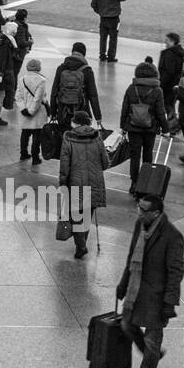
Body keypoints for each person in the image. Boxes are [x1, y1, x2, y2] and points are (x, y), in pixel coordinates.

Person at [116, 194, 184, 368]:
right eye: (138, 208)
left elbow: (176, 272)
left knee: (153, 339)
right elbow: (132, 256)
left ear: (156, 213)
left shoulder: (172, 236)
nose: (139, 213)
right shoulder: (140, 225)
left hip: (157, 295)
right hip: (135, 289)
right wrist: (123, 284)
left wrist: (169, 302)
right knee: (127, 324)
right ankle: (151, 355)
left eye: (143, 210)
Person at [60, 110, 110, 259]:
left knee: (76, 215)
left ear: (75, 122)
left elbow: (64, 163)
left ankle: (80, 245)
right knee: (87, 214)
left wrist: (63, 182)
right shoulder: (97, 137)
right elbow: (105, 163)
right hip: (95, 181)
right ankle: (82, 242)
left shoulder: (68, 137)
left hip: (76, 182)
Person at [119, 59, 170, 195]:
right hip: (150, 128)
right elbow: (160, 111)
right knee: (148, 154)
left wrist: (123, 126)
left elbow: (125, 108)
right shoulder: (157, 90)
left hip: (133, 127)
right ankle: (145, 182)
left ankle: (134, 183)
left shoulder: (132, 88)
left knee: (134, 155)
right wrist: (166, 129)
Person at [50, 42, 102, 124]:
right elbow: (93, 95)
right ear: (84, 54)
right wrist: (98, 116)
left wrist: (52, 112)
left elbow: (54, 92)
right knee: (82, 135)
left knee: (64, 135)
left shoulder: (61, 68)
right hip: (82, 113)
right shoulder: (87, 70)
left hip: (63, 111)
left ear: (72, 52)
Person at [15, 57, 49, 164]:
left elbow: (17, 96)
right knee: (37, 135)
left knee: (25, 133)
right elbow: (38, 98)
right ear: (39, 68)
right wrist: (32, 111)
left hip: (24, 111)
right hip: (37, 112)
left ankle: (23, 154)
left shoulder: (22, 79)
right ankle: (35, 157)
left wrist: (24, 109)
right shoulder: (42, 80)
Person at [89, 0, 126, 64]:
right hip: (114, 19)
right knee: (113, 38)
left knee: (103, 37)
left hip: (103, 19)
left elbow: (93, 4)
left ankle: (102, 55)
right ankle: (111, 57)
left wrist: (99, 12)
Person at [157, 32, 184, 112]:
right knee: (170, 107)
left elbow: (168, 72)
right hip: (174, 86)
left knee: (165, 108)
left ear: (172, 41)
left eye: (167, 40)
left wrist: (160, 85)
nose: (165, 42)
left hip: (166, 87)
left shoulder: (170, 54)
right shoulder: (179, 53)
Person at [11, 8, 33, 78]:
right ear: (24, 17)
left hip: (13, 52)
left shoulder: (14, 23)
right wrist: (30, 42)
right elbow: (21, 43)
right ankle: (12, 88)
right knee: (14, 73)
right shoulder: (20, 27)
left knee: (12, 72)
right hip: (18, 54)